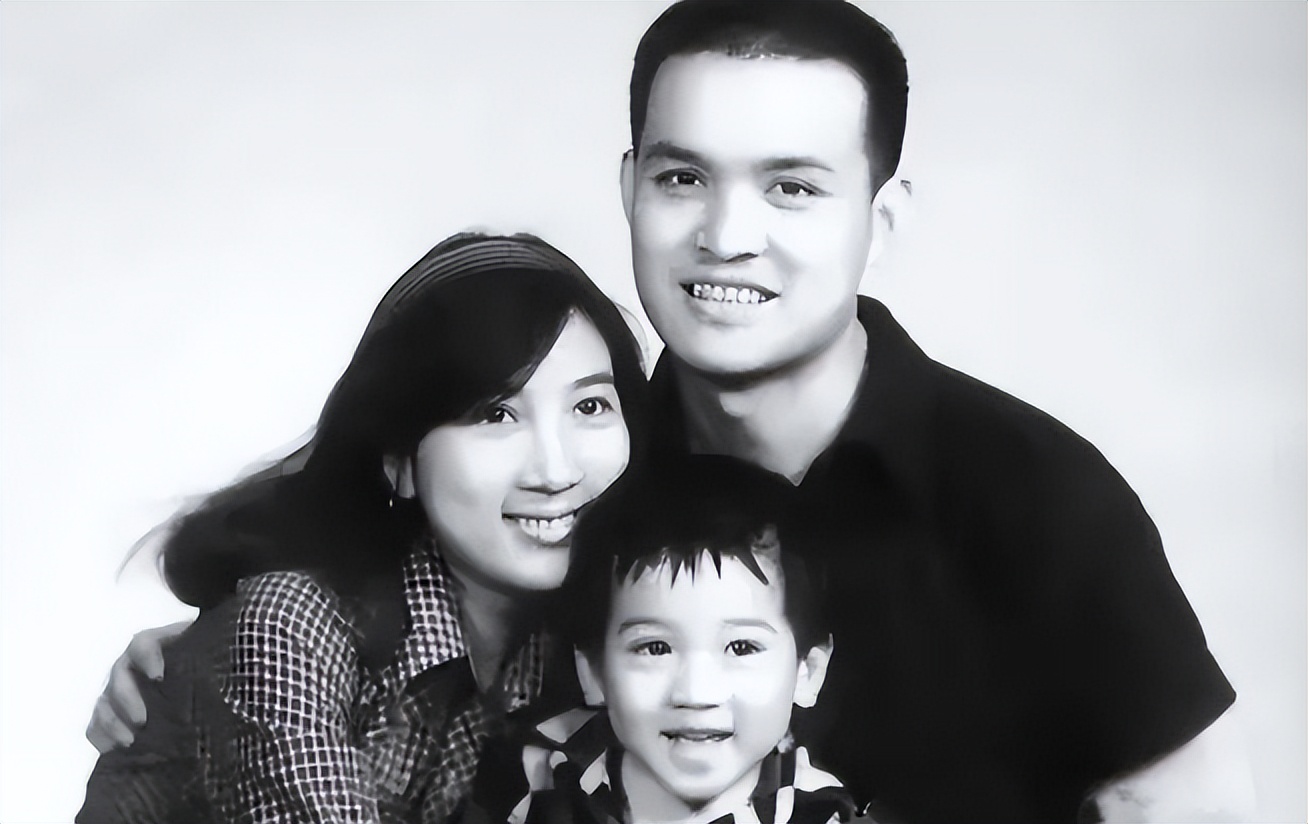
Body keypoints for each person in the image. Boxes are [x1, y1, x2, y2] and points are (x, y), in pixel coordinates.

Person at [90, 2, 1248, 821]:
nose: (726, 235)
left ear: (880, 221)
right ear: (630, 187)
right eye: (683, 177)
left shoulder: (1033, 490)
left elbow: (1183, 803)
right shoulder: (597, 490)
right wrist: (198, 668)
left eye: (792, 186)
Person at [77, 232, 648, 823]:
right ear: (399, 460)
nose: (556, 472)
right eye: (495, 414)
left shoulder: (587, 638)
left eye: (590, 407)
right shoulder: (290, 626)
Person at [463, 455, 864, 824]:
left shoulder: (822, 814)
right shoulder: (534, 781)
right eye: (655, 648)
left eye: (742, 647)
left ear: (808, 672)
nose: (696, 693)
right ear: (594, 671)